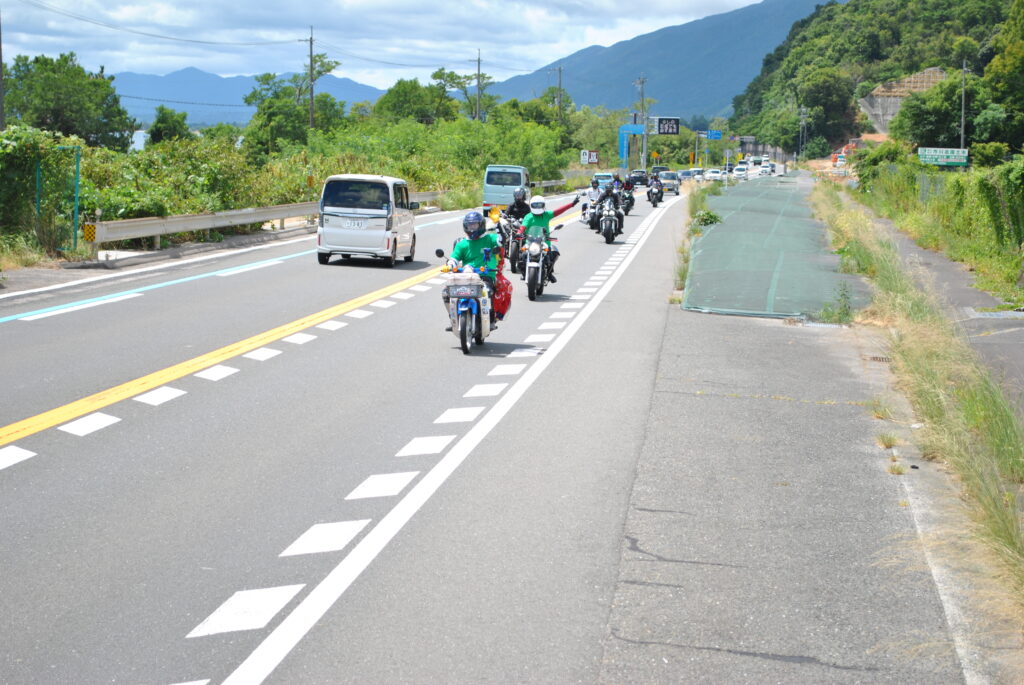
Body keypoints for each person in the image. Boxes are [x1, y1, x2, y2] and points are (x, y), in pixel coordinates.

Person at [445, 211, 503, 329]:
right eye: (469, 225)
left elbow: (500, 241)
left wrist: (498, 225)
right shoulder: (462, 244)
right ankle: (453, 318)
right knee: (446, 293)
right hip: (466, 276)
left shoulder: (490, 238)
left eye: (474, 225)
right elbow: (454, 258)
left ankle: (491, 319)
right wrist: (450, 264)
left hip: (485, 275)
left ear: (481, 225)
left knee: (487, 292)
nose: (472, 228)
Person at [520, 194, 578, 282]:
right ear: (531, 205)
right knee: (522, 256)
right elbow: (523, 227)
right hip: (530, 243)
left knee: (553, 254)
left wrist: (572, 204)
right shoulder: (528, 216)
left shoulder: (547, 214)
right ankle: (524, 274)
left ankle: (549, 273)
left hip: (544, 242)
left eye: (539, 205)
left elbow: (559, 211)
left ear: (543, 205)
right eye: (535, 205)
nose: (537, 207)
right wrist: (519, 233)